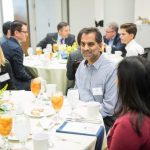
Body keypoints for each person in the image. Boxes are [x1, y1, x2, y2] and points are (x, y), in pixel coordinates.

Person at [75, 27, 118, 132]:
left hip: (103, 120)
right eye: (82, 44)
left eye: (90, 44)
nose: (85, 48)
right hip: (80, 117)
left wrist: (86, 117)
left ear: (100, 46)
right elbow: (76, 94)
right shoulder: (81, 66)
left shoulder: (111, 69)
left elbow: (109, 107)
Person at [107, 56, 150, 150]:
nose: (116, 82)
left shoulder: (130, 124)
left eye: (117, 77)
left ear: (124, 83)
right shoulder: (143, 112)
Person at [1, 20, 33, 90]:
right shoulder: (16, 48)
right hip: (13, 84)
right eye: (25, 32)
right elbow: (20, 74)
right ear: (16, 33)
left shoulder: (4, 44)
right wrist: (32, 78)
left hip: (4, 81)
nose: (27, 34)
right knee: (39, 81)